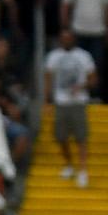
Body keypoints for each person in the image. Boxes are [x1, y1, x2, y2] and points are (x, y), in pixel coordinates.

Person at [43, 32, 96, 185]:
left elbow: (93, 78)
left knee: (81, 137)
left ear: (73, 39)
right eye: (63, 38)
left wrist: (81, 86)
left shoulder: (84, 56)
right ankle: (69, 165)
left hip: (78, 102)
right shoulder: (53, 56)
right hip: (61, 102)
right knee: (60, 137)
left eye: (69, 38)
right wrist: (47, 101)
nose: (66, 40)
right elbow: (48, 78)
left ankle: (83, 170)